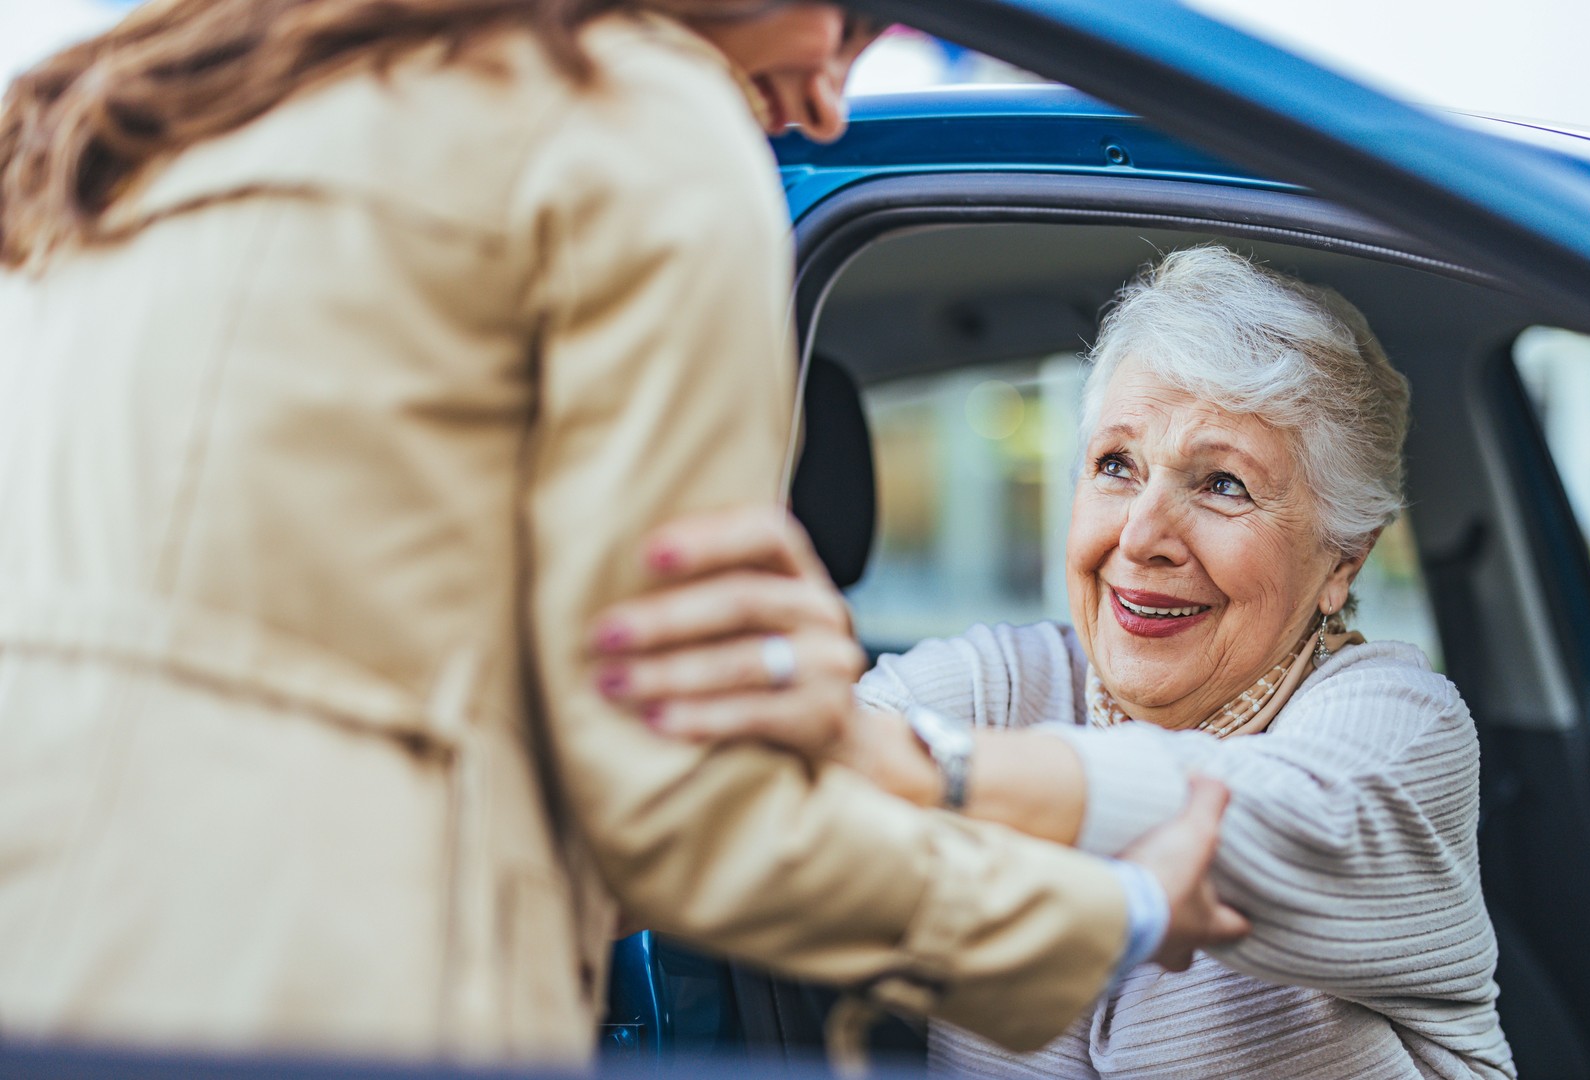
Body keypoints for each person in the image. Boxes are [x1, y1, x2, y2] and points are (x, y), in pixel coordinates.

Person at [0, 1, 1245, 1064]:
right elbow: (684, 816)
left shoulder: (147, 114)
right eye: (852, 20)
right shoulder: (635, 121)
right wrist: (1115, 914)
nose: (824, 99)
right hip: (322, 1005)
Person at [596, 246, 1518, 1078]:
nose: (1143, 534)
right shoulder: (1007, 685)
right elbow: (710, 813)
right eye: (1117, 465)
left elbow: (1256, 823)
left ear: (1341, 563)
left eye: (1222, 483)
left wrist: (924, 771)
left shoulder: (1402, 725)